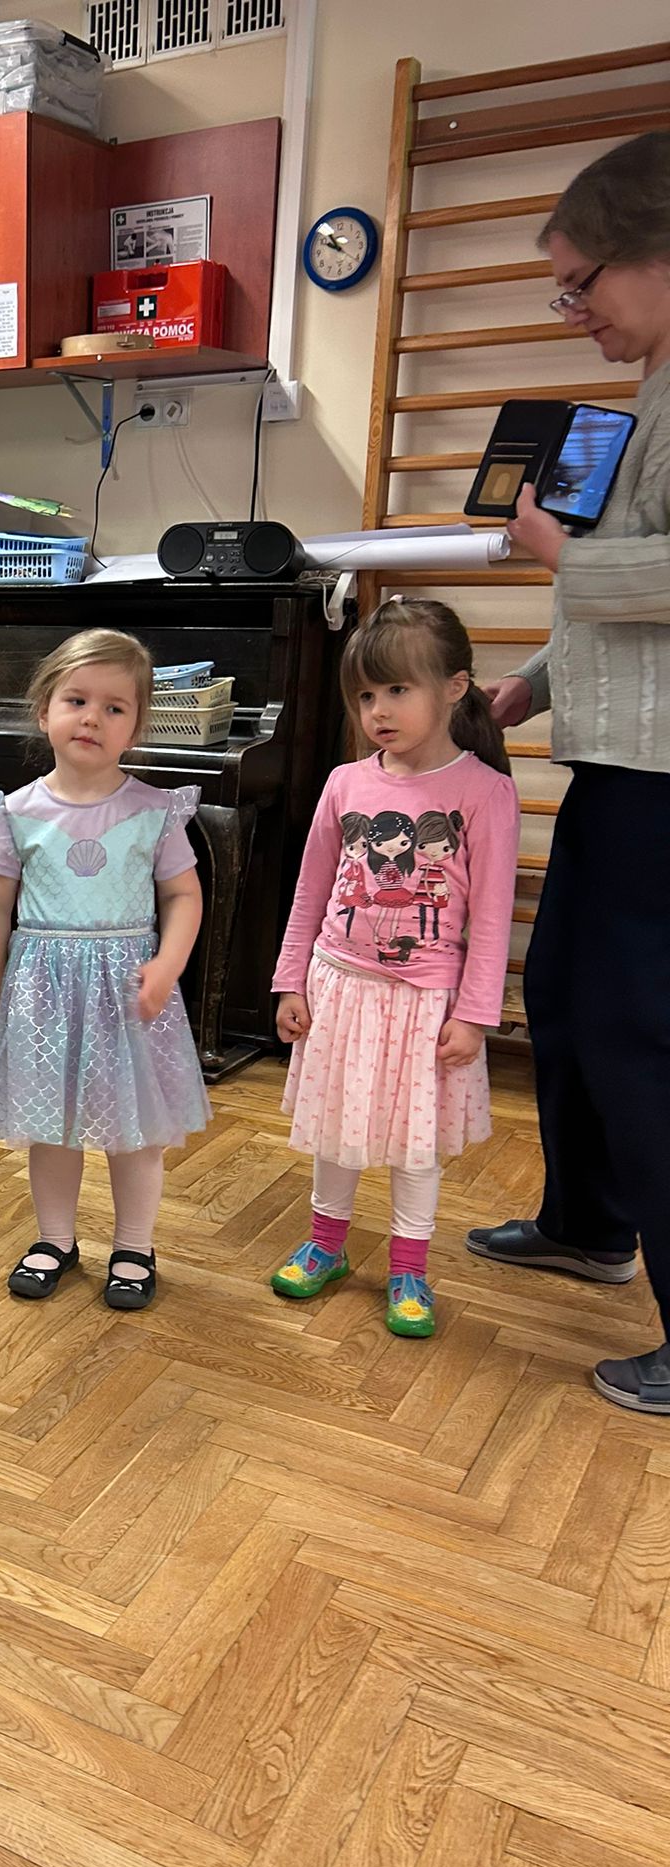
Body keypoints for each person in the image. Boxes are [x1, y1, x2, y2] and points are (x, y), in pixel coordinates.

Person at [470, 131, 670, 1412]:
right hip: (616, 757)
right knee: (563, 991)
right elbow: (622, 602)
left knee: (638, 1027)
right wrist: (528, 688)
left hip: (662, 777)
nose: (573, 308)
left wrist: (558, 555)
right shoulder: (649, 393)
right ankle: (590, 1222)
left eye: (581, 282)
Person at [269, 599, 519, 1338]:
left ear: (454, 687)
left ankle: (409, 1268)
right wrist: (290, 980)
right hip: (338, 986)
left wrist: (474, 1015)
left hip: (424, 1000)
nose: (377, 710)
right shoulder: (345, 783)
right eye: (365, 695)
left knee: (415, 1143)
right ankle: (326, 1244)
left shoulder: (486, 792)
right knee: (335, 1127)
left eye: (397, 690)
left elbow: (493, 918)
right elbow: (310, 889)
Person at [0, 628, 209, 1312]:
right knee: (51, 1126)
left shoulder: (154, 811)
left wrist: (167, 965)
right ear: (44, 709)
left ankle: (134, 1246)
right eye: (77, 700)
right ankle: (55, 1239)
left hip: (128, 995)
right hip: (43, 996)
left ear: (136, 725)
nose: (92, 719)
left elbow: (183, 895)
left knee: (136, 1132)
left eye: (114, 707)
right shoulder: (17, 812)